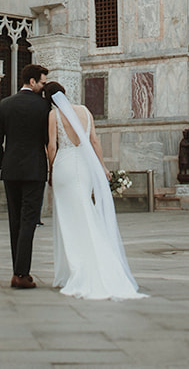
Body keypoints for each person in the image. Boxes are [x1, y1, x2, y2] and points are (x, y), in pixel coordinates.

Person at [42, 81, 146, 300]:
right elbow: (95, 141)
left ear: (49, 99)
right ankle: (97, 260)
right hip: (85, 165)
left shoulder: (54, 115)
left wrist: (51, 170)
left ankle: (77, 268)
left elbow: (52, 147)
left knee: (69, 217)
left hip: (64, 166)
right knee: (85, 209)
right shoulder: (85, 111)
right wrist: (103, 167)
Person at [0, 63, 51, 289]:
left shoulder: (5, 104)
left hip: (11, 170)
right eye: (42, 83)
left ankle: (18, 270)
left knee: (14, 220)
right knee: (28, 221)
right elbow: (48, 140)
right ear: (33, 81)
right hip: (35, 170)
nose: (43, 87)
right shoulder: (44, 107)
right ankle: (21, 273)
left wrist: (3, 164)